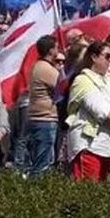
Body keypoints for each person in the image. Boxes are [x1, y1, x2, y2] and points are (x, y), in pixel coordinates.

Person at [66, 41, 110, 182]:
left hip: (108, 143)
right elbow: (100, 108)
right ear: (94, 57)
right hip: (90, 145)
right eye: (107, 56)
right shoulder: (82, 79)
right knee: (88, 191)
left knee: (101, 193)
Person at [25, 34, 61, 178]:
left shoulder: (38, 66)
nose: (58, 50)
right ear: (51, 51)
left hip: (37, 118)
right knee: (42, 164)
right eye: (57, 47)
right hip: (44, 119)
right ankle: (37, 193)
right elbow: (62, 86)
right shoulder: (46, 69)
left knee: (38, 160)